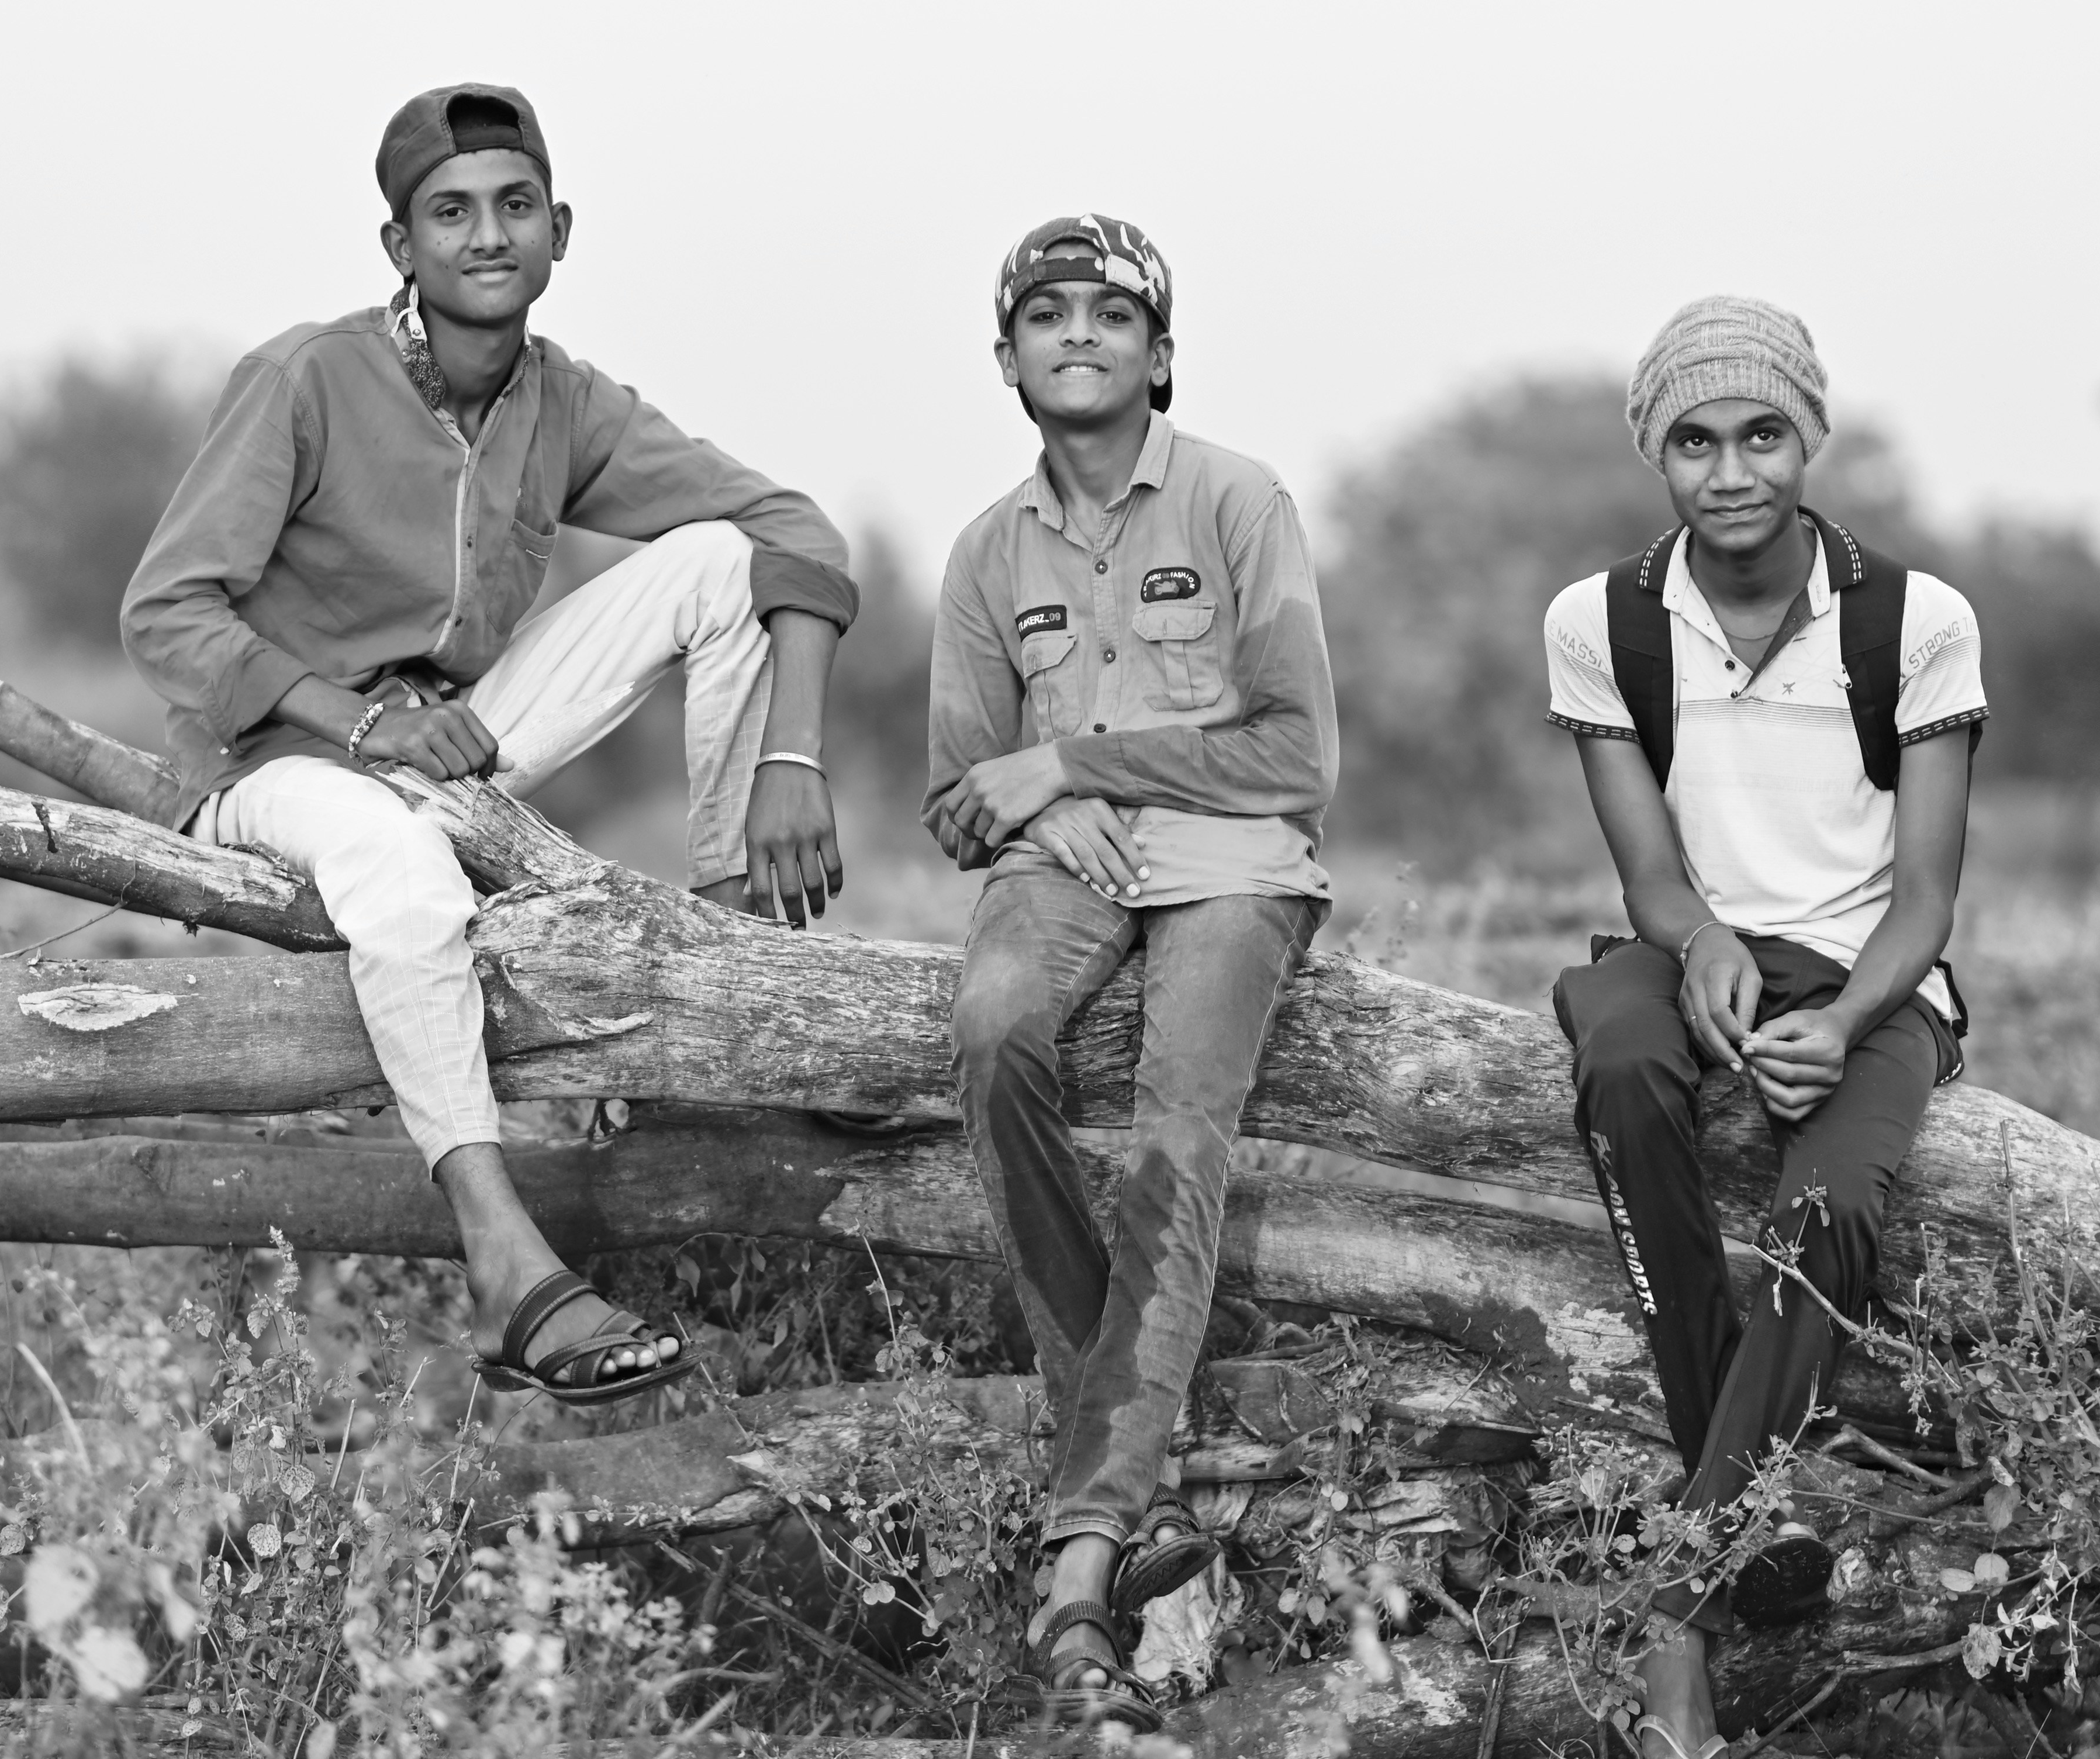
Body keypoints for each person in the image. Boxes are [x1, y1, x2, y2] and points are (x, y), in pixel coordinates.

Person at [121, 84, 858, 1406]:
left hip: (450, 743)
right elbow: (166, 611)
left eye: (514, 206)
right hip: (273, 765)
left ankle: (739, 956)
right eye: (449, 212)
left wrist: (792, 763)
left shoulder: (561, 401)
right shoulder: (304, 377)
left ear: (559, 232)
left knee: (717, 561)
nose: (485, 236)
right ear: (399, 244)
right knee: (404, 869)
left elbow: (792, 535)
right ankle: (510, 1268)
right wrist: (358, 721)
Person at [1542, 298, 1985, 1757]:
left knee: (1828, 1204)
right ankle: (1726, 1478)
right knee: (1615, 1058)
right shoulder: (1601, 620)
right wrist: (1704, 940)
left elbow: (1922, 904)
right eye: (1692, 440)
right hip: (1692, 953)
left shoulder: (1912, 621)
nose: (1729, 471)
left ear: (1811, 439)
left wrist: (1845, 1019)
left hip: (1872, 977)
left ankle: (1678, 1596)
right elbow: (1652, 879)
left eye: (1760, 434)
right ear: (1652, 453)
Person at [926, 215, 1339, 1733]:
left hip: (1233, 870)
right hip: (1065, 871)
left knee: (1177, 1122)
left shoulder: (1239, 501)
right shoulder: (986, 553)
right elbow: (959, 794)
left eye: (1113, 313)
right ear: (1006, 359)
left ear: (1160, 352)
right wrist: (1044, 796)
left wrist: (1073, 757)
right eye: (1046, 314)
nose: (1079, 333)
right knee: (990, 1035)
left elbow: (1298, 754)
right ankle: (1121, 1457)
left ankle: (1085, 1536)